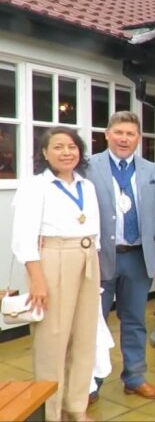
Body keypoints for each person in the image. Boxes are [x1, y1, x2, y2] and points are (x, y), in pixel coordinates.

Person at [85, 111, 155, 400]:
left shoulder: (152, 171)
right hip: (99, 258)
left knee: (135, 320)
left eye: (131, 134)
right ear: (107, 134)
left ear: (139, 138)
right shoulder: (87, 167)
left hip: (138, 258)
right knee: (92, 322)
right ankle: (90, 383)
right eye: (119, 132)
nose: (125, 139)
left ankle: (135, 377)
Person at [12, 127, 100, 421]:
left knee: (85, 336)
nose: (67, 152)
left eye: (72, 147)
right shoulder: (35, 186)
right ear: (45, 153)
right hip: (53, 259)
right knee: (52, 339)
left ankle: (76, 405)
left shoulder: (86, 186)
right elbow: (24, 237)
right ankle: (51, 411)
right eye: (59, 147)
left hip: (88, 257)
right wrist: (37, 278)